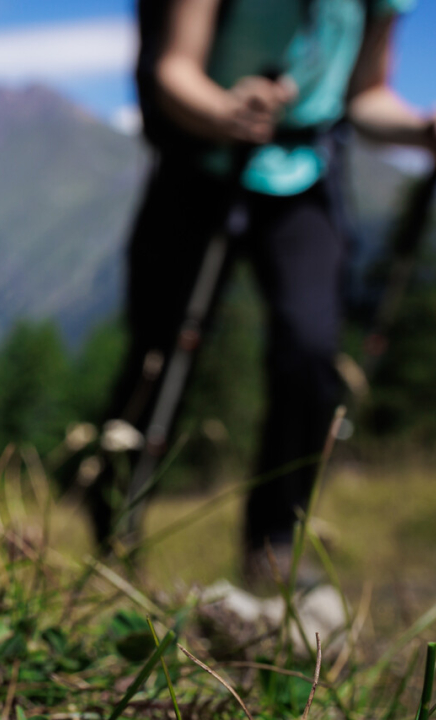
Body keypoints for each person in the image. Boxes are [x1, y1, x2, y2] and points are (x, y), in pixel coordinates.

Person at [88, 0, 436, 583]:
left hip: (307, 173)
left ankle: (275, 543)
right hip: (199, 164)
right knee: (159, 352)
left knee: (310, 347)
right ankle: (114, 536)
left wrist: (422, 130)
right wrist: (226, 109)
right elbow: (174, 68)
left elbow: (365, 96)